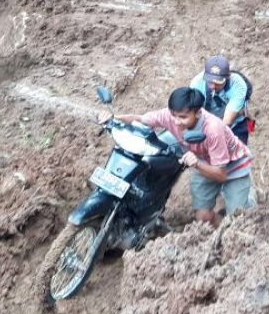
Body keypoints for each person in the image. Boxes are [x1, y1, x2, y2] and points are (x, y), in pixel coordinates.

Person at [106, 87, 252, 225]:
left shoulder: (213, 129)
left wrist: (196, 164)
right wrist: (113, 118)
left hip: (233, 167)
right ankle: (222, 225)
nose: (176, 121)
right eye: (174, 115)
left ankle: (248, 201)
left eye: (183, 117)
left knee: (238, 219)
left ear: (198, 113)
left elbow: (221, 175)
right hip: (203, 162)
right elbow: (140, 119)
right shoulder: (170, 116)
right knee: (203, 218)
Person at [190, 55, 252, 144]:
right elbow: (194, 113)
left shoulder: (238, 85)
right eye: (210, 81)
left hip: (235, 123)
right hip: (208, 121)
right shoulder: (196, 84)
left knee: (238, 152)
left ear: (228, 77)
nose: (213, 86)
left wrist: (214, 138)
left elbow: (228, 120)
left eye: (218, 83)